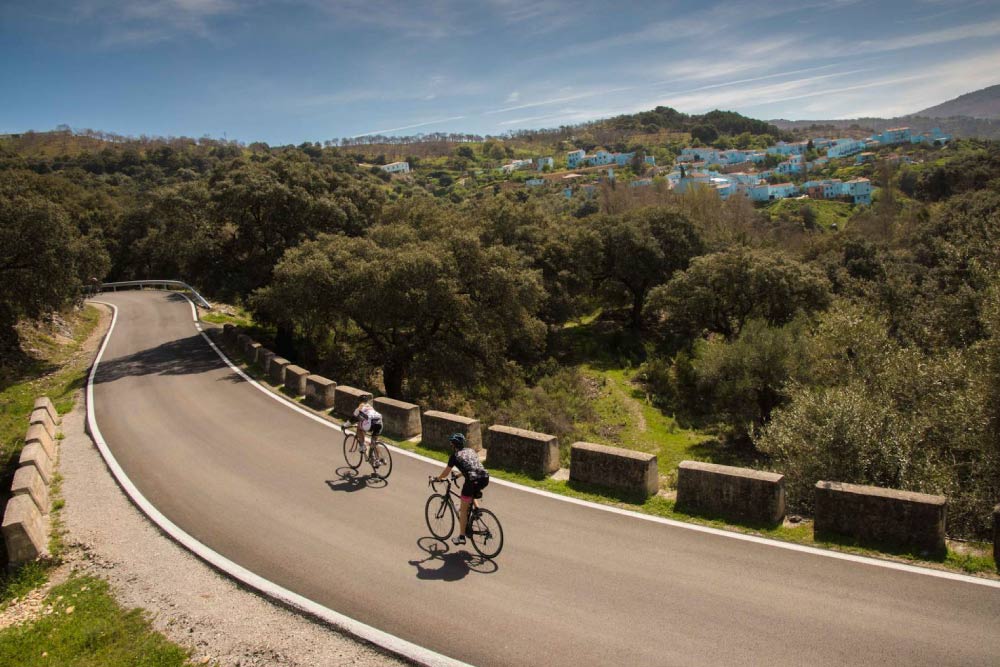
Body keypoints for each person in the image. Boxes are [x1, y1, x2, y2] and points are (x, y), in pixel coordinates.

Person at [433, 433, 490, 545]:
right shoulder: (470, 451)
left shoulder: (454, 456)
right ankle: (477, 511)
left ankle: (461, 537)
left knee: (463, 510)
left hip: (472, 480)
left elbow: (446, 473)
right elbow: (471, 466)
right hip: (484, 477)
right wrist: (458, 475)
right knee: (471, 493)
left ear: (453, 445)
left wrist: (438, 479)